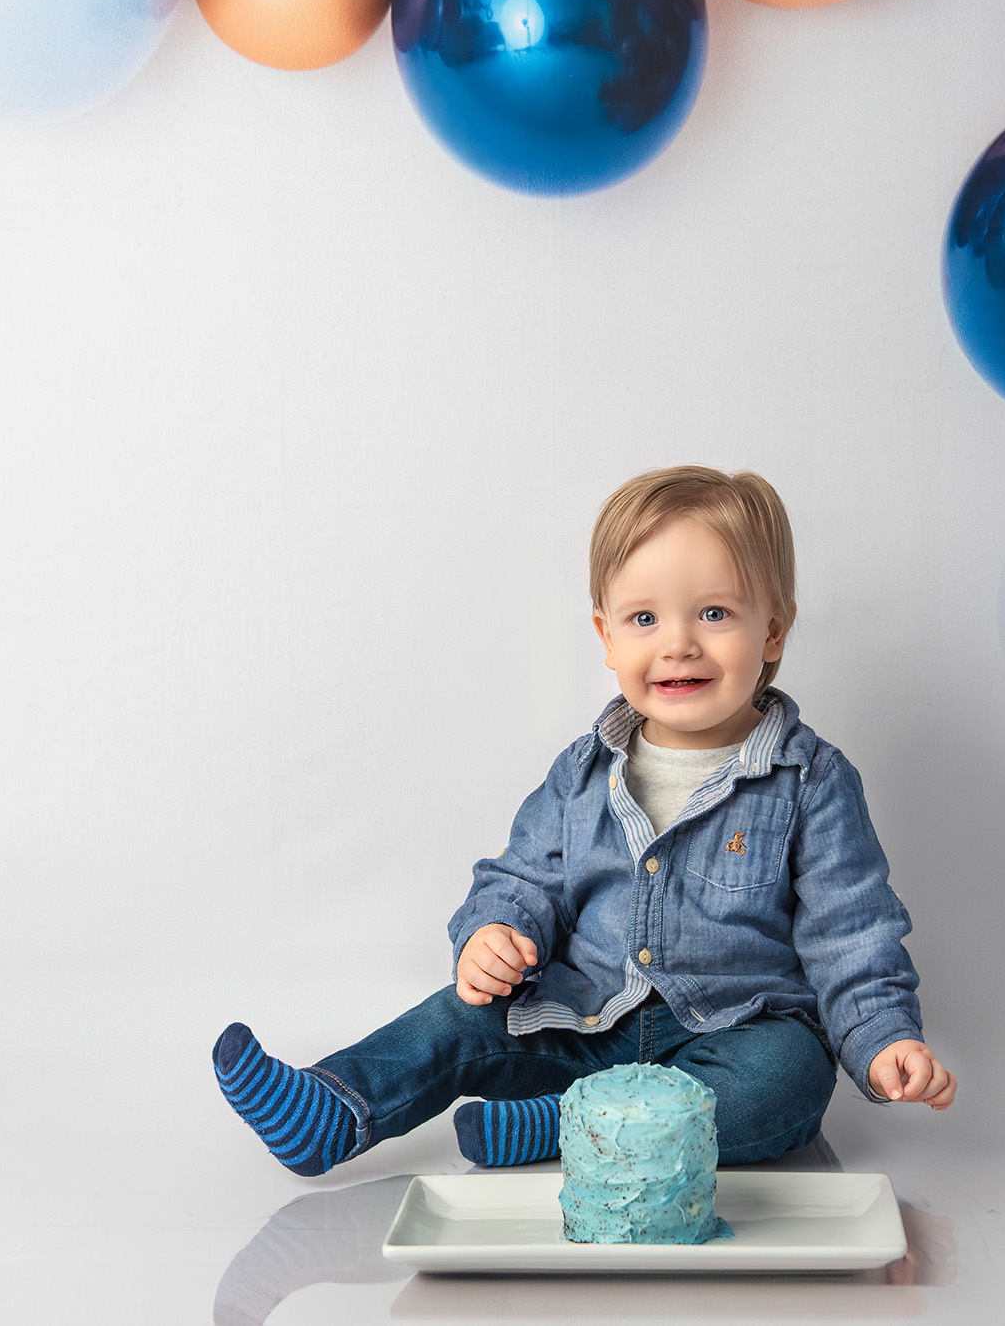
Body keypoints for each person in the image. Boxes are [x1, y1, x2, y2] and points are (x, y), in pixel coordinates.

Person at [213, 466, 955, 1176]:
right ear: (606, 636)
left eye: (715, 612)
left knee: (788, 1075)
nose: (678, 642)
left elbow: (851, 935)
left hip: (734, 1038)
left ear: (773, 632)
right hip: (585, 1023)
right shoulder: (584, 770)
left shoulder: (811, 780)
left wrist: (884, 1036)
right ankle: (336, 1107)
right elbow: (525, 876)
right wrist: (495, 933)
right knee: (463, 1015)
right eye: (644, 617)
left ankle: (562, 1126)